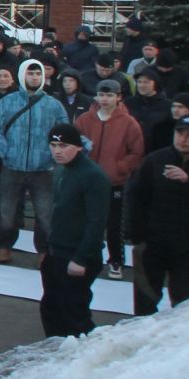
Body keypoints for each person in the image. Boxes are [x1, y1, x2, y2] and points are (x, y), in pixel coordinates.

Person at [124, 113, 189, 314]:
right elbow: (136, 197)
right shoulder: (155, 160)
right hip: (153, 243)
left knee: (185, 305)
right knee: (145, 301)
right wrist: (136, 236)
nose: (183, 139)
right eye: (179, 133)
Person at [0, 59, 67, 263]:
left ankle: (44, 250)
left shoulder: (53, 105)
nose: (34, 77)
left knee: (45, 213)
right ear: (23, 76)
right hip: (12, 166)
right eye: (30, 74)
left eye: (38, 74)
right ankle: (4, 246)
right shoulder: (8, 101)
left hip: (43, 168)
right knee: (6, 210)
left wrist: (52, 155)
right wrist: (6, 152)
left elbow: (64, 132)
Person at [39, 123, 110, 338]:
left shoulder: (93, 176)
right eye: (53, 145)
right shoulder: (62, 170)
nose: (57, 151)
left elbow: (96, 222)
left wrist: (81, 258)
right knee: (51, 307)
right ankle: (55, 350)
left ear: (78, 147)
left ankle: (84, 356)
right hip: (57, 252)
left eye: (63, 145)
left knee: (74, 313)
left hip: (77, 255)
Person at [75, 80, 146, 278]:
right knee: (85, 220)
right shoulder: (85, 119)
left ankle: (116, 260)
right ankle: (86, 255)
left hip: (113, 181)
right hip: (87, 180)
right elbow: (74, 143)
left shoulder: (128, 122)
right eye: (101, 95)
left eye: (109, 95)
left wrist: (120, 168)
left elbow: (136, 152)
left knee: (114, 224)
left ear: (118, 97)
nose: (104, 99)